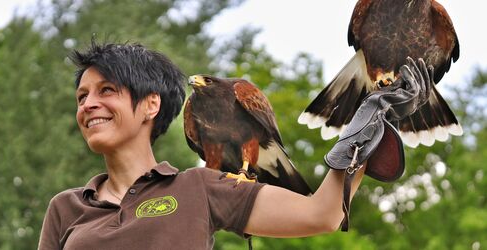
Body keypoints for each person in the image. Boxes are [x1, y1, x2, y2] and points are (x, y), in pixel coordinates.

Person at [38, 41, 432, 249]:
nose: (89, 104)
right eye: (81, 96)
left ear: (150, 105)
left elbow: (322, 214)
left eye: (106, 90)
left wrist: (365, 131)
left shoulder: (198, 187)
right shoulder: (67, 208)